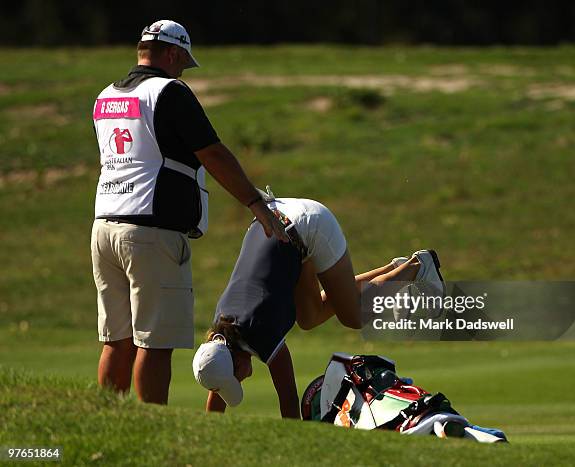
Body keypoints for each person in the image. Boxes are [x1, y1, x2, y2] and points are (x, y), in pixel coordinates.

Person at [91, 20, 288, 405]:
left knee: (117, 340)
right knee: (155, 341)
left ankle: (105, 424)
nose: (183, 71)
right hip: (150, 232)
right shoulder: (169, 92)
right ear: (172, 53)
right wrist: (255, 203)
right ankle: (151, 430)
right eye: (183, 62)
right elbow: (212, 153)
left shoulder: (106, 95)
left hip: (104, 227)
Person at [192, 189, 444, 417]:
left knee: (353, 315)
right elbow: (219, 378)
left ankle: (418, 267)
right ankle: (394, 270)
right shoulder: (222, 332)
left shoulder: (260, 332)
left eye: (237, 378)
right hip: (277, 220)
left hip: (306, 226)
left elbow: (288, 399)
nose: (243, 378)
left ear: (236, 361)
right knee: (309, 316)